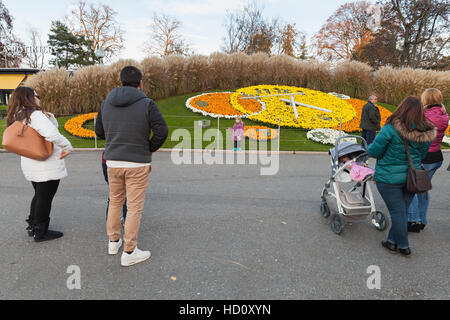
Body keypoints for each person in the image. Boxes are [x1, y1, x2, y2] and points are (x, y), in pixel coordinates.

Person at [95, 66, 168, 267]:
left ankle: (113, 241)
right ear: (140, 83)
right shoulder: (147, 103)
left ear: (120, 82)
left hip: (112, 161)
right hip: (137, 162)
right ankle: (129, 251)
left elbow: (99, 132)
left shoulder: (106, 103)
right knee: (134, 207)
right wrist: (149, 148)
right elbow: (162, 131)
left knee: (115, 201)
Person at [367, 96, 436, 257]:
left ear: (402, 108)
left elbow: (374, 151)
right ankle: (391, 241)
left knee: (398, 213)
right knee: (401, 211)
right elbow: (423, 155)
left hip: (388, 179)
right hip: (412, 178)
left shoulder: (390, 128)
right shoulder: (425, 132)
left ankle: (404, 246)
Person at [6, 86, 72, 242]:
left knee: (39, 195)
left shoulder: (18, 116)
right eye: (37, 95)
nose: (39, 98)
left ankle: (33, 225)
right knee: (45, 197)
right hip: (45, 163)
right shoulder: (35, 115)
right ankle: (40, 232)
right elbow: (52, 134)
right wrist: (68, 146)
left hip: (30, 162)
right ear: (29, 97)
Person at [407, 89, 448, 232]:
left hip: (424, 156)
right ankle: (422, 219)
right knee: (423, 188)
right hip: (436, 156)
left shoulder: (424, 116)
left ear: (426, 99)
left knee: (412, 187)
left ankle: (413, 219)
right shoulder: (444, 115)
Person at [102, 151, 127, 223]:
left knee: (114, 194)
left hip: (109, 158)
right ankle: (127, 221)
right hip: (129, 160)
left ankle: (111, 222)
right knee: (128, 194)